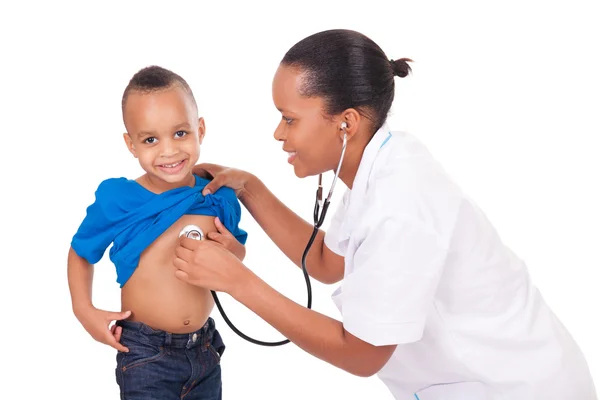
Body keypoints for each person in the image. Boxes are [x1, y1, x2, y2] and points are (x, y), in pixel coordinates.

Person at [172, 29, 597, 399]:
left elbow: (361, 353)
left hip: (518, 389)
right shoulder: (384, 164)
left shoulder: (401, 203)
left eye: (289, 119)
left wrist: (235, 279)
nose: (279, 133)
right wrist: (250, 188)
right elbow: (325, 262)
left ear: (346, 123)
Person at [67, 65, 247, 399]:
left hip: (205, 349)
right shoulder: (119, 200)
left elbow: (236, 252)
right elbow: (81, 251)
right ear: (131, 144)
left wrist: (234, 252)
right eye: (150, 139)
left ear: (200, 129)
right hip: (145, 354)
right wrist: (83, 309)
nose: (169, 151)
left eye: (180, 133)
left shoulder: (218, 196)